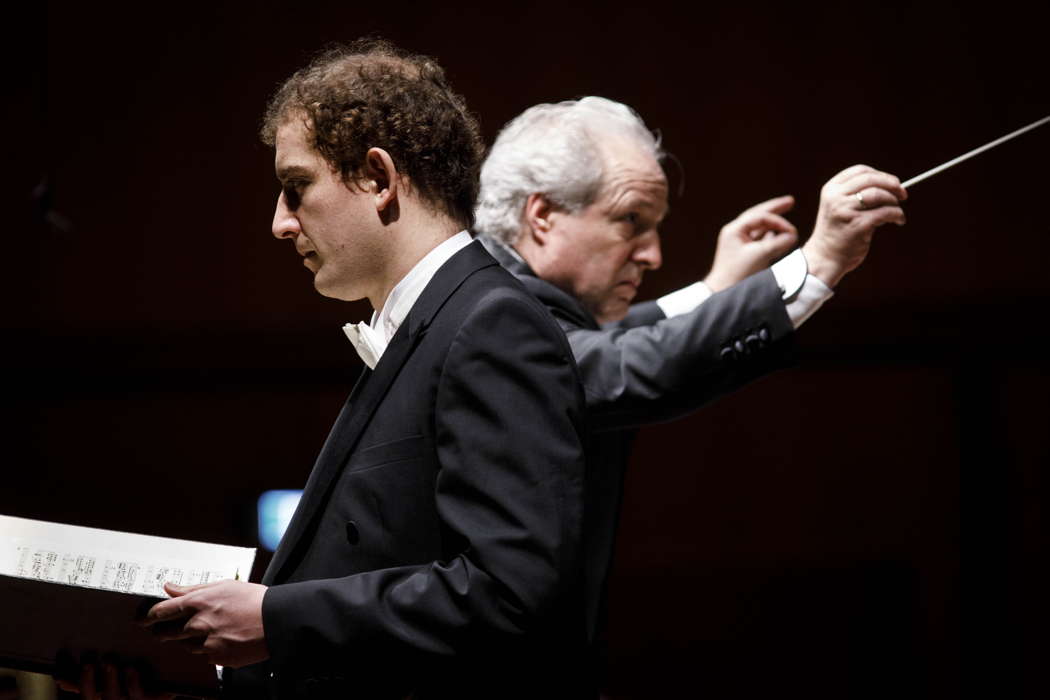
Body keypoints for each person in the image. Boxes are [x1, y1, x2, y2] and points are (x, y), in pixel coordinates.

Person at [131, 41, 590, 699]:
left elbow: (508, 593)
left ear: (377, 177)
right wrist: (177, 679)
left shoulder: (491, 324)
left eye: (296, 188)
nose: (279, 224)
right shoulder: (434, 323)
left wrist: (274, 617)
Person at [474, 96, 908, 654]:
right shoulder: (490, 311)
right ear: (542, 215)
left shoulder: (508, 299)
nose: (653, 254)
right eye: (630, 220)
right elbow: (617, 365)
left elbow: (597, 347)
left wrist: (716, 288)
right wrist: (817, 262)